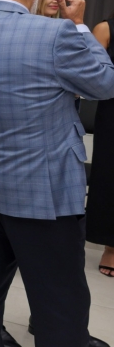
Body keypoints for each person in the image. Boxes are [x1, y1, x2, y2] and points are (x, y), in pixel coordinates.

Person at [0, 0, 114, 347]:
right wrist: (80, 25)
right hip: (43, 198)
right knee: (59, 302)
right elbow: (105, 83)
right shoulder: (57, 33)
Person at [89, 15, 114, 277]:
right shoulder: (105, 28)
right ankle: (111, 244)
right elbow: (94, 77)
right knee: (111, 177)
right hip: (113, 112)